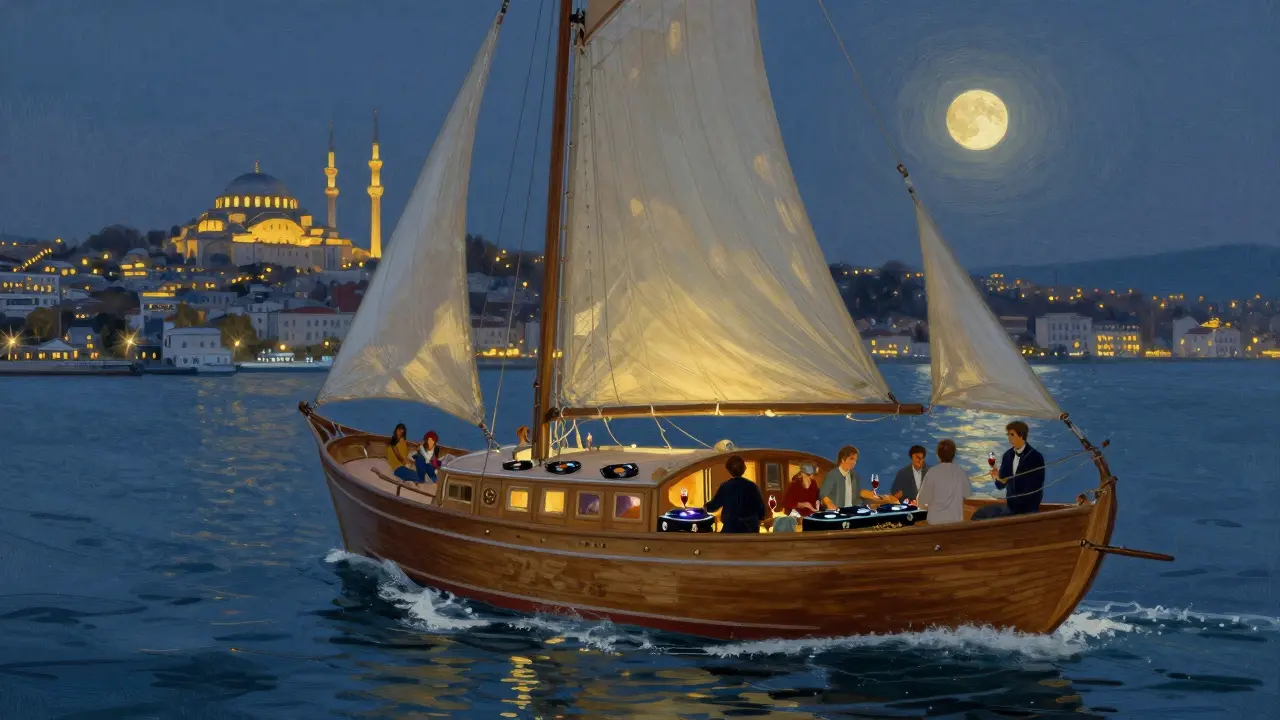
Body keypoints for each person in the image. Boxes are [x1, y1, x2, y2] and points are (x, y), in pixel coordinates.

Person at [973, 421, 1046, 520]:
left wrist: (1007, 480)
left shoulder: (1036, 457)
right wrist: (995, 475)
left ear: (1021, 435)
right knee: (979, 514)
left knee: (988, 518)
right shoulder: (1007, 455)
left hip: (1027, 511)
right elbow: (1000, 485)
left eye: (1012, 435)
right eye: (1008, 435)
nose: (1009, 438)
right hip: (1011, 508)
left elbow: (1034, 487)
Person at [704, 455, 767, 533]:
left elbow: (712, 506)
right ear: (744, 468)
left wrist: (704, 508)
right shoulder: (752, 486)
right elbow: (761, 511)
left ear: (729, 470)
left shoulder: (725, 486)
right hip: (750, 531)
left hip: (730, 529)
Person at [917, 439, 970, 524]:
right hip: (956, 525)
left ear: (938, 455)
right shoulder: (961, 472)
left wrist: (930, 508)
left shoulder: (932, 473)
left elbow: (921, 501)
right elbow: (967, 494)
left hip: (934, 525)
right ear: (954, 455)